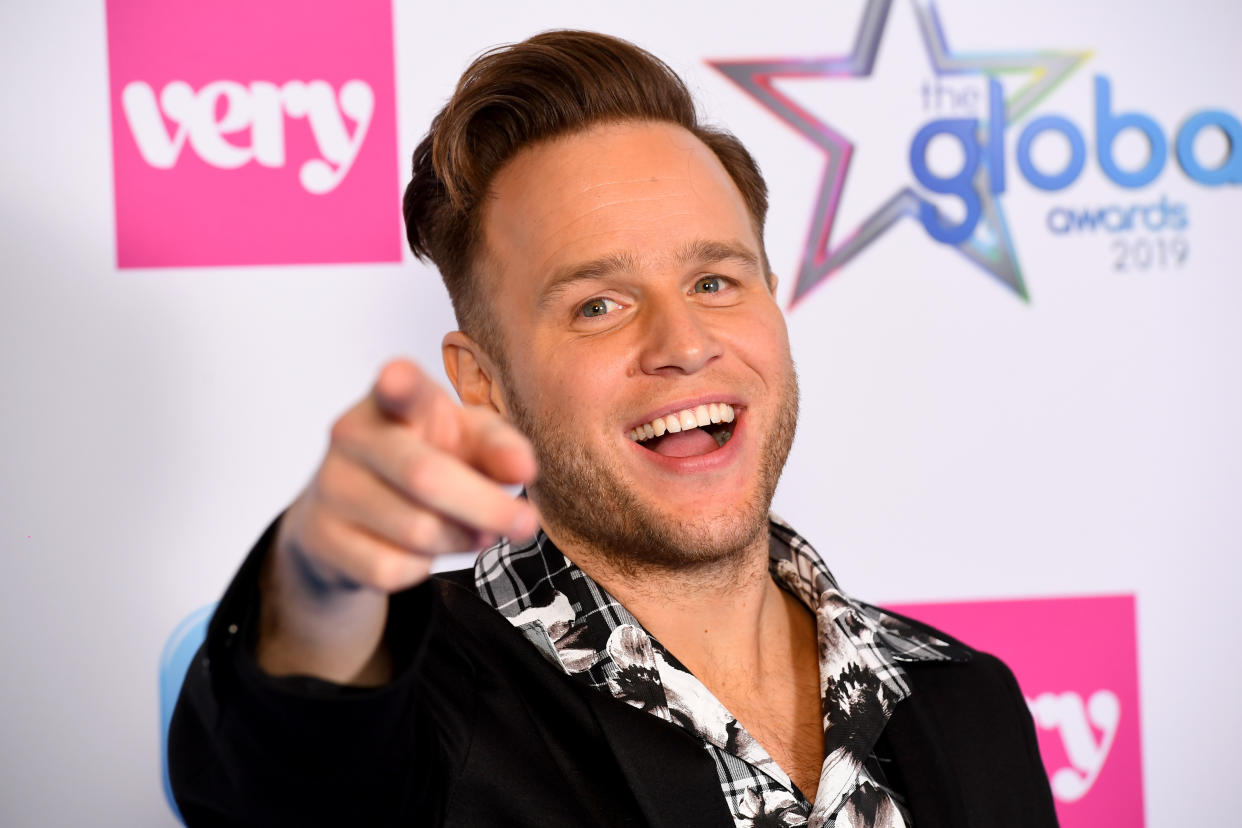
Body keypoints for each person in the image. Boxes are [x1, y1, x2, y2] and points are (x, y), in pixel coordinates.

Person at [169, 30, 1058, 828]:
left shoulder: (963, 699)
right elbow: (284, 772)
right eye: (599, 305)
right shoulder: (419, 703)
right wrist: (318, 588)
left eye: (716, 282)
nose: (684, 344)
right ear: (483, 382)